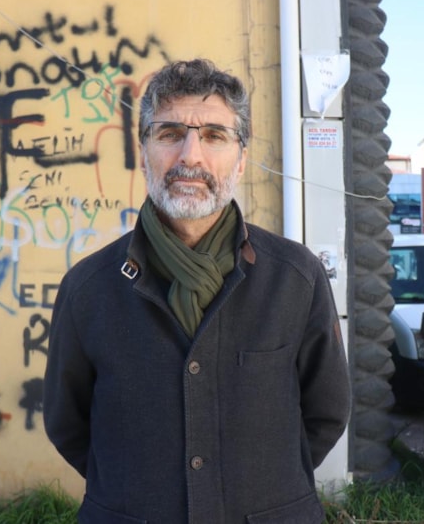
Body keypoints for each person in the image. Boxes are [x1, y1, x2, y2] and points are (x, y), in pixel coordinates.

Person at [43, 58, 352, 524]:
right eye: (169, 133)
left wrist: (261, 488)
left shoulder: (296, 278)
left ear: (241, 159)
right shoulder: (88, 289)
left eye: (214, 135)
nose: (190, 156)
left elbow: (326, 413)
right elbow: (68, 425)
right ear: (143, 151)